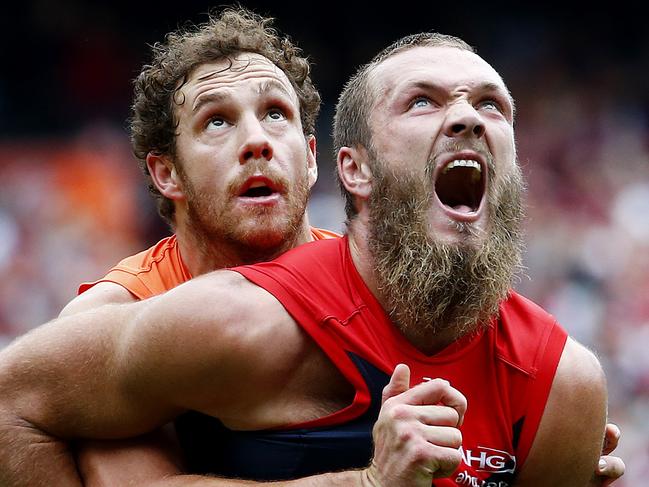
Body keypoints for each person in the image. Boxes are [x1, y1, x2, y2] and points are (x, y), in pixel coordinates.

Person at [0, 12, 624, 487]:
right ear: (166, 174)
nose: (257, 142)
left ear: (320, 157)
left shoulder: (385, 281)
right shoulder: (154, 316)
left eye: (277, 115)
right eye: (217, 121)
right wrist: (366, 482)